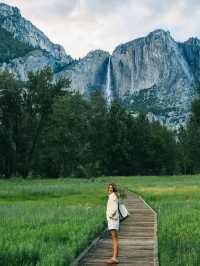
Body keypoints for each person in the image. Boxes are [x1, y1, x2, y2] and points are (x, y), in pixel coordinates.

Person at [106, 183, 120, 264]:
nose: (110, 189)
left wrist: (110, 216)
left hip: (113, 220)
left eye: (111, 188)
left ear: (114, 189)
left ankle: (114, 257)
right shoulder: (113, 195)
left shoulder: (113, 196)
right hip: (114, 220)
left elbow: (114, 208)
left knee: (114, 239)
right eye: (109, 188)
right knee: (115, 239)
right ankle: (115, 257)